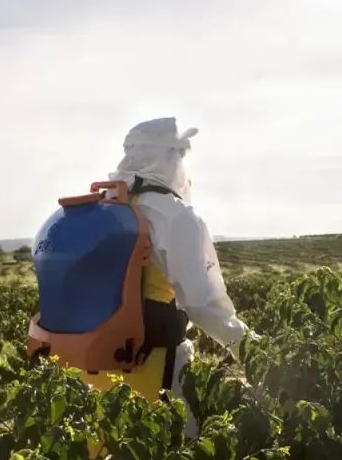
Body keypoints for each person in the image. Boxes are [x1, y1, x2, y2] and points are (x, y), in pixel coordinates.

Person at [79, 117, 251, 437]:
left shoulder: (102, 207)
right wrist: (254, 353)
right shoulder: (174, 214)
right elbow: (203, 304)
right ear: (171, 157)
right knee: (176, 454)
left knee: (107, 449)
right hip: (156, 364)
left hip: (94, 360)